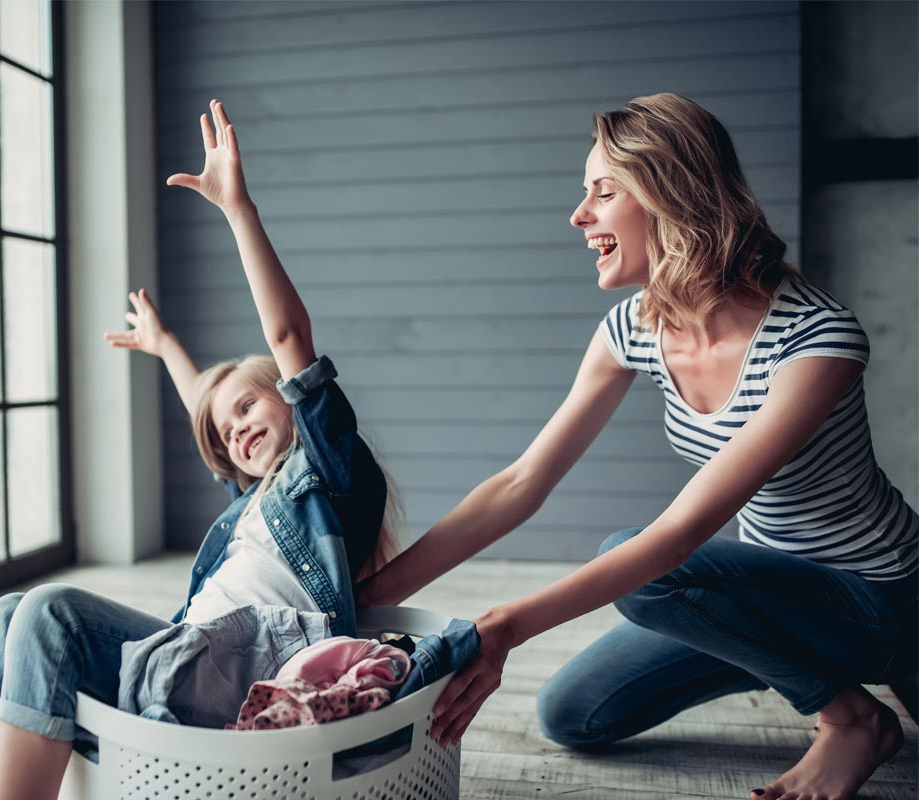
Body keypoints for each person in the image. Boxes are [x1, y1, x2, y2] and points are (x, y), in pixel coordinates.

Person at [357, 93, 918, 800]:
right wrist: (374, 596)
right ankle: (793, 665)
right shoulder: (634, 329)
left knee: (648, 565)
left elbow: (678, 539)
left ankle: (851, 717)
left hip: (877, 599)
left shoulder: (816, 341)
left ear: (671, 193)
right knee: (573, 714)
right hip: (760, 596)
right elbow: (522, 481)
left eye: (603, 191)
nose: (579, 215)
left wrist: (503, 627)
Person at [0, 100, 397, 800]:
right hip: (194, 651)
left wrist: (238, 210)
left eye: (250, 407)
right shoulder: (255, 503)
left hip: (252, 664)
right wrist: (169, 348)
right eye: (226, 431)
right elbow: (207, 407)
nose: (236, 430)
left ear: (291, 403)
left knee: (52, 612)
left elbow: (290, 337)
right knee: (4, 616)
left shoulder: (327, 475)